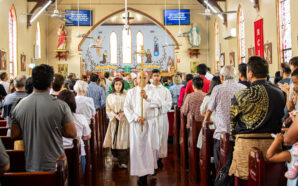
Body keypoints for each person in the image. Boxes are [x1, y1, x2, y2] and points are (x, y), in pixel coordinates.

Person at [10, 64, 77, 172]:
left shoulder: (20, 106)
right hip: (55, 165)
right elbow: (72, 133)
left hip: (31, 165)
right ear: (51, 84)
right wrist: (53, 128)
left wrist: (32, 130)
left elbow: (14, 135)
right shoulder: (61, 105)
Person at [229, 56, 286, 181]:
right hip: (273, 147)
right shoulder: (280, 93)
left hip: (246, 150)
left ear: (250, 73)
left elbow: (232, 125)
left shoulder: (241, 95)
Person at [203, 65, 246, 169]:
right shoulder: (244, 88)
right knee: (237, 168)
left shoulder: (218, 89)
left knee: (221, 168)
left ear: (221, 77)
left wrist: (206, 120)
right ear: (236, 76)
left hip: (222, 135)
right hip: (239, 136)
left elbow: (209, 109)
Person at [124, 71, 161, 185]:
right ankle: (141, 175)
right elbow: (126, 107)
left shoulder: (153, 90)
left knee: (150, 149)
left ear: (147, 78)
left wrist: (147, 97)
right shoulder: (131, 92)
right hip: (137, 124)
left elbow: (159, 103)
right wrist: (135, 117)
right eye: (139, 77)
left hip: (150, 123)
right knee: (138, 150)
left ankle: (150, 168)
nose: (142, 80)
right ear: (136, 79)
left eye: (144, 77)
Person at [58, 90, 91, 174]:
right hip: (78, 154)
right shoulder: (80, 118)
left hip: (59, 156)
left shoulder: (54, 119)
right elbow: (87, 136)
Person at [103, 78, 130, 169]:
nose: (118, 86)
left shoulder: (126, 94)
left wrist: (123, 113)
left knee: (123, 139)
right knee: (114, 138)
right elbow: (108, 109)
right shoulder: (110, 96)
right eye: (116, 84)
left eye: (120, 84)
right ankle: (116, 156)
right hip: (114, 120)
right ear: (113, 86)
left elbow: (130, 106)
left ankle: (124, 161)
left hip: (124, 120)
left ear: (122, 85)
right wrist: (114, 115)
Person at [150, 69, 172, 168]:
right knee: (151, 138)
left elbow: (169, 103)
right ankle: (152, 158)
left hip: (162, 116)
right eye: (154, 76)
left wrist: (160, 107)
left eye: (158, 76)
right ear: (151, 77)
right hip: (151, 117)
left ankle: (159, 158)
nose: (156, 78)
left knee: (162, 137)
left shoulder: (165, 90)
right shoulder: (148, 89)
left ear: (160, 77)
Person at [197, 76, 221, 149]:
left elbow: (202, 112)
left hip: (211, 124)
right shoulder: (223, 95)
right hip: (221, 125)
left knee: (206, 146)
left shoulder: (208, 97)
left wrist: (209, 116)